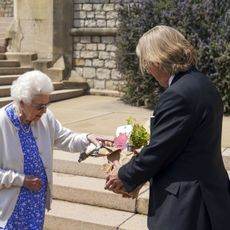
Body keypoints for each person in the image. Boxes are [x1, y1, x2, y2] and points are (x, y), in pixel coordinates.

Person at [105, 25, 230, 230]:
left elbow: (159, 149)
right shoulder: (204, 84)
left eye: (146, 65)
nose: (148, 72)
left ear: (156, 61)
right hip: (210, 195)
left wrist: (124, 175)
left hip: (188, 205)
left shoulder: (178, 95)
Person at [0, 70, 109, 229]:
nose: (44, 110)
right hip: (8, 209)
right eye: (39, 106)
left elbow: (66, 138)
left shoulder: (45, 118)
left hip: (35, 205)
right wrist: (21, 180)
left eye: (47, 105)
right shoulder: (2, 123)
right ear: (22, 102)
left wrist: (88, 138)